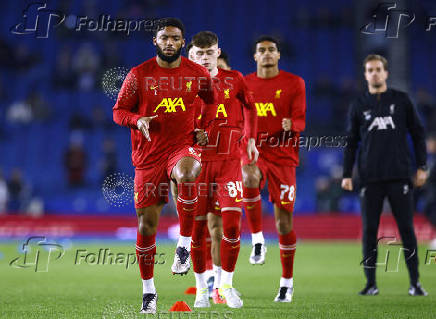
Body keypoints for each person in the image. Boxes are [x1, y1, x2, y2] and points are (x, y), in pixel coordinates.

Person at [112, 18, 216, 314]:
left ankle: (184, 243)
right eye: (164, 38)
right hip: (148, 157)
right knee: (146, 226)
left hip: (182, 147)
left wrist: (203, 126)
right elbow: (118, 111)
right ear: (155, 42)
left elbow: (211, 100)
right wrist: (137, 120)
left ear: (183, 43)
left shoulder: (197, 73)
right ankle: (148, 291)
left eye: (175, 38)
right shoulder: (139, 74)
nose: (169, 42)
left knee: (187, 173)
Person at [341, 54, 428, 296]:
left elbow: (419, 133)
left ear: (386, 73)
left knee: (407, 230)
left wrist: (422, 166)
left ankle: (415, 282)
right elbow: (351, 142)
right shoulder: (359, 105)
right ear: (365, 74)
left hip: (399, 176)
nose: (375, 73)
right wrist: (347, 173)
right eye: (370, 70)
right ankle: (370, 283)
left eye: (379, 69)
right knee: (369, 232)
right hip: (370, 178)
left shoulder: (401, 101)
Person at [187, 31, 258, 309]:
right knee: (198, 229)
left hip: (229, 164)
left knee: (231, 225)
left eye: (209, 52)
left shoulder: (235, 79)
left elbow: (251, 108)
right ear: (192, 55)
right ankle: (201, 290)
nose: (204, 58)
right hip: (199, 164)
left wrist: (251, 139)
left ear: (218, 52)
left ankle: (225, 286)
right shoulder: (185, 83)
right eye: (199, 53)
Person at [242, 36, 306, 302]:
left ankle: (287, 282)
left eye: (271, 50)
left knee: (283, 223)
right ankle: (257, 239)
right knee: (248, 176)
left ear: (279, 55)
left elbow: (301, 121)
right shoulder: (244, 84)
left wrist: (292, 125)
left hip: (284, 157)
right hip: (255, 152)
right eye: (261, 50)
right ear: (255, 57)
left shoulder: (294, 83)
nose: (266, 54)